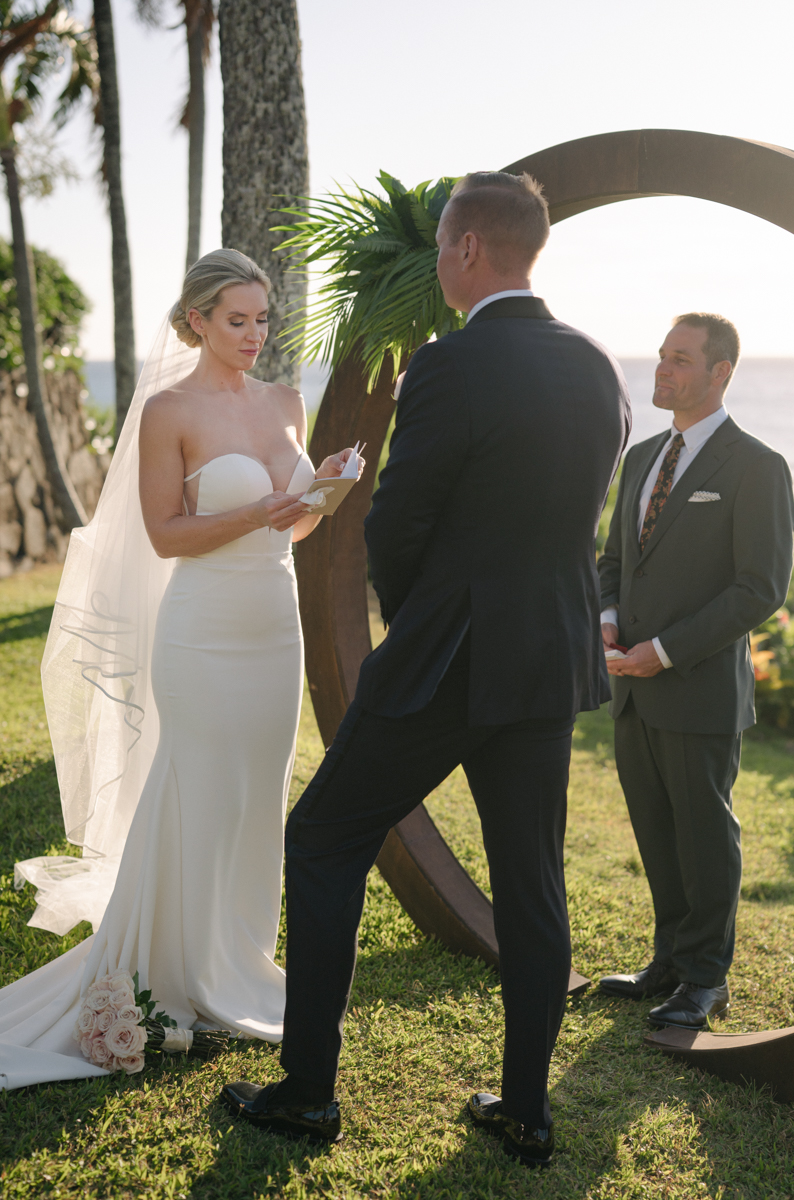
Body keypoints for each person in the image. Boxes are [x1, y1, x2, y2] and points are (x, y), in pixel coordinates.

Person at [221, 173, 631, 1167]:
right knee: (532, 884)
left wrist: (419, 626)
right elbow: (581, 508)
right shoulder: (598, 367)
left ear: (471, 251)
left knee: (322, 837)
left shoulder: (447, 365)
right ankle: (527, 1111)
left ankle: (310, 1094)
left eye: (446, 244)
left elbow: (397, 523)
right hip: (548, 662)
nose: (441, 258)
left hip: (449, 662)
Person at [0, 249, 359, 1089]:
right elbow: (166, 534)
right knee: (195, 787)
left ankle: (235, 960)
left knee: (256, 796)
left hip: (273, 626)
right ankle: (174, 969)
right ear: (197, 320)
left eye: (263, 320)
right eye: (237, 320)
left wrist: (322, 492)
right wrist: (264, 510)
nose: (254, 336)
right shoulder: (170, 410)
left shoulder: (286, 401)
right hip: (201, 630)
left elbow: (292, 530)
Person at [597, 313, 794, 1030]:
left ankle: (707, 979)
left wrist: (667, 650)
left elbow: (760, 587)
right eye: (660, 356)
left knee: (706, 838)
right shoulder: (641, 455)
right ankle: (670, 962)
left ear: (721, 373)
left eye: (679, 359)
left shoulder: (758, 467)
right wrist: (609, 621)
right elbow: (613, 560)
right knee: (654, 829)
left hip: (699, 691)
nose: (661, 369)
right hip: (630, 692)